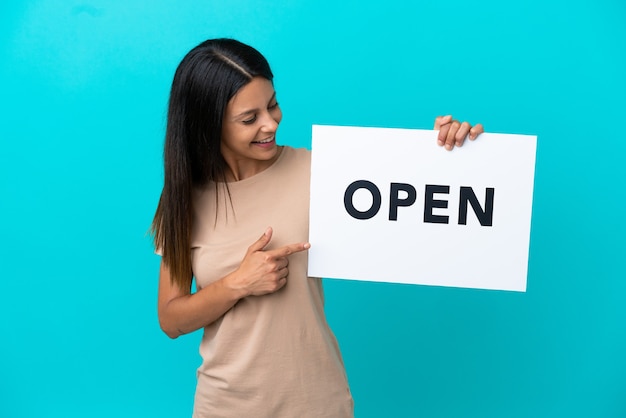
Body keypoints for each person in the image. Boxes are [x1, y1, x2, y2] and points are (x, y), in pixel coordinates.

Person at [151, 38, 484, 418]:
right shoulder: (182, 199)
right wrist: (238, 283)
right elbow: (171, 318)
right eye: (249, 118)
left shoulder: (324, 172)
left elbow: (414, 201)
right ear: (208, 124)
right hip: (224, 406)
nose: (270, 123)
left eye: (272, 104)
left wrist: (450, 154)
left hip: (316, 403)